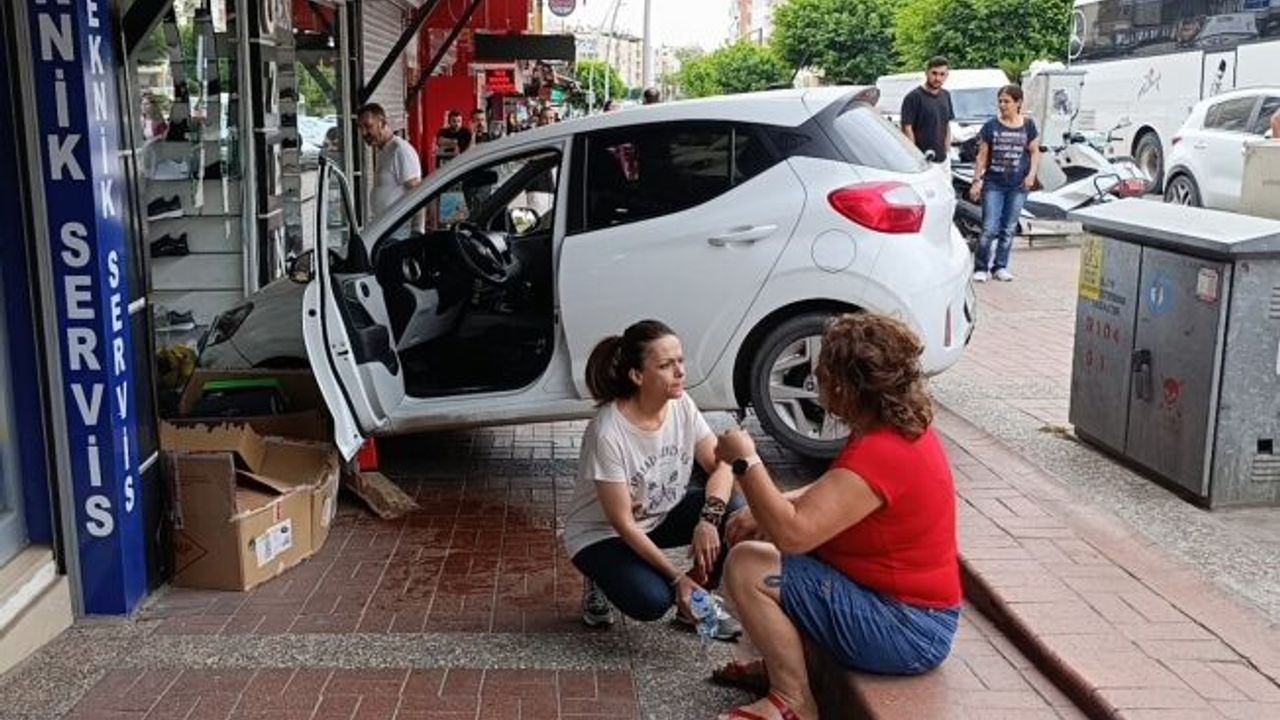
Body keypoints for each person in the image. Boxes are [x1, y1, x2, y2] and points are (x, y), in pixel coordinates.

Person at [711, 313, 961, 720]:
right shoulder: (894, 429)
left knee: (748, 566)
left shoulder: (883, 450)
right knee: (760, 541)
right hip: (909, 614)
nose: (815, 378)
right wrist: (770, 506)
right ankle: (787, 664)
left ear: (845, 386)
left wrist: (746, 461)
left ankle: (792, 700)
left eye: (823, 369)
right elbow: (839, 491)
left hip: (908, 630)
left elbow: (794, 535)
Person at [562, 320, 744, 640]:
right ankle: (601, 576)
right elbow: (623, 524)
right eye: (666, 365)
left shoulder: (681, 404)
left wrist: (708, 520)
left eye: (680, 361)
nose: (680, 372)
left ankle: (696, 599)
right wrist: (675, 578)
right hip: (602, 535)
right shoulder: (608, 432)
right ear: (637, 376)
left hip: (656, 516)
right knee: (652, 600)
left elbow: (723, 464)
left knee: (737, 511)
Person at [970, 84, 1040, 283]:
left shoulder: (1028, 125)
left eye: (1007, 101)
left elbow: (1035, 151)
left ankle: (1000, 266)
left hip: (1017, 185)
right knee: (989, 227)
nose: (1003, 105)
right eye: (1000, 101)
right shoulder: (991, 126)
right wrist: (977, 181)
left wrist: (1031, 175)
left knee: (1008, 227)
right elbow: (982, 156)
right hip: (994, 183)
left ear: (1018, 103)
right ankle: (981, 267)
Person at [357, 102, 422, 225]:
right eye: (361, 128)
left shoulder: (400, 150)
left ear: (382, 123)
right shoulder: (383, 150)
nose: (364, 133)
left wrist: (417, 231)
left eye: (368, 126)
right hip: (385, 228)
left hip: (400, 231)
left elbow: (417, 193)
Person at [901, 56, 954, 166]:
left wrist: (947, 151)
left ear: (947, 76)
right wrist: (914, 157)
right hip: (922, 160)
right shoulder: (913, 97)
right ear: (926, 73)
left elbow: (946, 124)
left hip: (943, 159)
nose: (937, 78)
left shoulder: (946, 95)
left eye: (942, 74)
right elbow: (907, 128)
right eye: (934, 73)